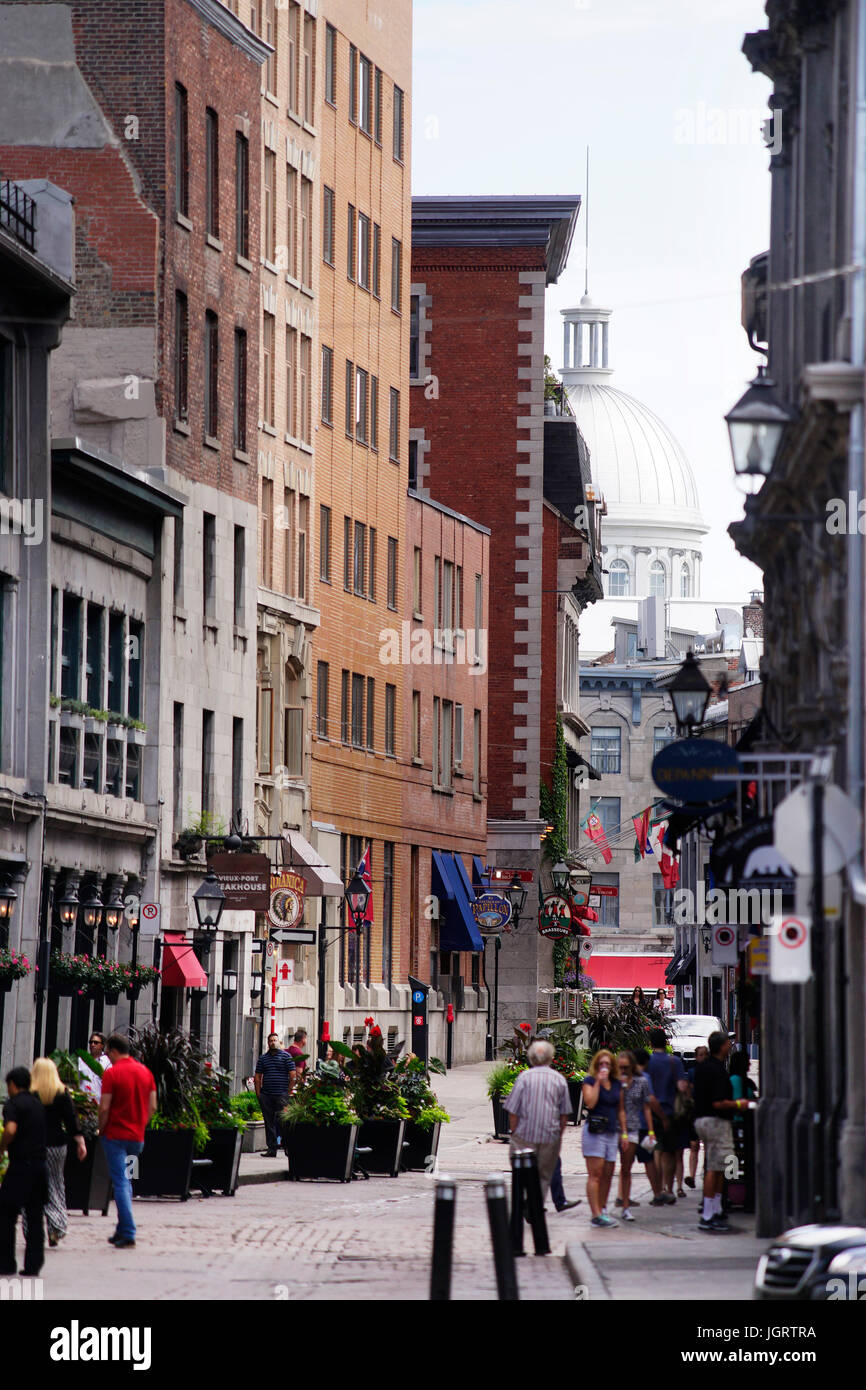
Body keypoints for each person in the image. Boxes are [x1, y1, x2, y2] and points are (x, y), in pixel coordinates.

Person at [99, 1033, 157, 1250]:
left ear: (114, 1051)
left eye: (107, 1053)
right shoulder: (146, 1072)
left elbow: (104, 1107)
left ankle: (129, 1231)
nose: (107, 1057)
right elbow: (152, 1107)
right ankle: (121, 1230)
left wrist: (101, 1128)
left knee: (121, 1182)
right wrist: (141, 1124)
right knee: (128, 1180)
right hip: (136, 1139)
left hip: (116, 1138)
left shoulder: (112, 1074)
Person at [502, 1039, 572, 1204]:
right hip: (549, 1136)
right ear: (550, 1057)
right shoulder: (559, 1079)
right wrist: (558, 1135)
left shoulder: (523, 1078)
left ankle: (526, 1203)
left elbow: (513, 1109)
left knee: (522, 1172)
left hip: (524, 1135)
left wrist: (514, 1132)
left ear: (531, 1057)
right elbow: (564, 1114)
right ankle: (535, 1207)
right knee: (544, 1176)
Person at [27, 1057, 86, 1248]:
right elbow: (71, 1120)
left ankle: (32, 1232)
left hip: (32, 1146)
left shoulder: (28, 1094)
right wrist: (80, 1142)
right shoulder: (61, 1093)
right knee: (56, 1184)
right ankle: (56, 1226)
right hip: (56, 1146)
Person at [694, 1030, 744, 1233]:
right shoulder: (716, 1070)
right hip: (715, 1122)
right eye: (727, 1043)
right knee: (714, 1169)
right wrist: (740, 1104)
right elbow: (718, 1102)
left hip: (703, 1121)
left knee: (720, 1167)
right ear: (721, 1046)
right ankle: (708, 1214)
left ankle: (716, 1209)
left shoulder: (704, 1068)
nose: (730, 1046)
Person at [0, 1066, 47, 1277]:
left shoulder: (13, 1104)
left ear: (12, 1085)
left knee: (6, 1215)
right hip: (39, 1166)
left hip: (20, 1167)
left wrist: (2, 1148)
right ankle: (33, 1265)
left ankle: (6, 1262)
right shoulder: (38, 1104)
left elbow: (10, 1129)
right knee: (35, 1217)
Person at [646, 1028, 688, 1204]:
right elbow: (682, 1087)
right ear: (666, 1042)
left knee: (657, 1151)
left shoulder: (648, 1062)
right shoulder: (675, 1062)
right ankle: (669, 1188)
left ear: (650, 1043)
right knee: (670, 1152)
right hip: (671, 1113)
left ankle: (659, 1189)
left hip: (652, 1112)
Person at [581, 1049, 623, 1227]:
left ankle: (603, 1208)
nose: (604, 1067)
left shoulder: (617, 1084)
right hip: (595, 1132)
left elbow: (621, 1109)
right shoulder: (590, 1081)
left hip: (612, 1132)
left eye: (607, 1064)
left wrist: (625, 1132)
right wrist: (599, 1081)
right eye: (601, 1064)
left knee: (608, 1173)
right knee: (595, 1174)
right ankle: (595, 1213)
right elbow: (590, 1103)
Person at [614, 1050, 655, 1222]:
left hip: (632, 1127)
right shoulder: (613, 1082)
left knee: (626, 1167)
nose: (623, 1071)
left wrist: (651, 1130)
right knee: (605, 1169)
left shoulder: (641, 1082)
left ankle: (625, 1205)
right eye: (620, 1067)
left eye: (626, 1067)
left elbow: (646, 1107)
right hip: (612, 1127)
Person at [254, 1033, 296, 1157]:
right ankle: (271, 1149)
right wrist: (258, 1094)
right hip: (266, 1095)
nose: (273, 1042)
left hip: (281, 1095)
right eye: (270, 1040)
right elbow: (257, 1077)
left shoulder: (286, 1057)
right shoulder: (263, 1058)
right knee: (269, 1123)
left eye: (275, 1040)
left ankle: (287, 1146)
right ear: (268, 1043)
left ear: (279, 1041)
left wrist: (288, 1091)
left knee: (284, 1122)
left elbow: (293, 1075)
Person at [632, 1049, 664, 1200]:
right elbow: (649, 1102)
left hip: (627, 1127)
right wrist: (662, 1118)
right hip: (642, 1126)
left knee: (626, 1164)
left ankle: (621, 1196)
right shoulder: (644, 1078)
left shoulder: (622, 1078)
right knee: (649, 1160)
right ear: (645, 1062)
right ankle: (657, 1193)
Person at [684, 1045, 708, 1189]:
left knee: (707, 1145)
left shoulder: (710, 1072)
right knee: (694, 1145)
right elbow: (688, 1091)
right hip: (695, 1111)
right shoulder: (692, 1072)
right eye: (700, 1055)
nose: (703, 1057)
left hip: (706, 1111)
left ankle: (705, 1173)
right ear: (696, 1057)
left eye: (705, 1054)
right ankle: (692, 1176)